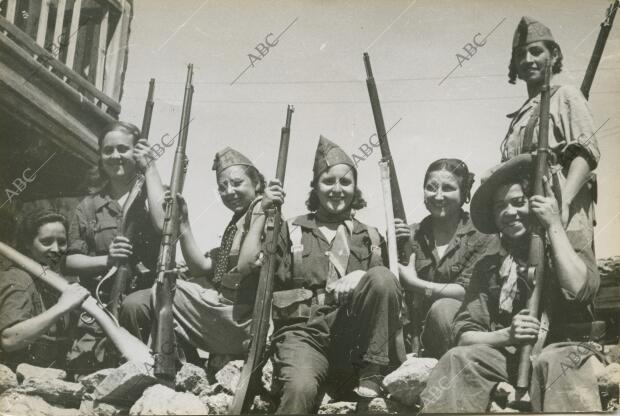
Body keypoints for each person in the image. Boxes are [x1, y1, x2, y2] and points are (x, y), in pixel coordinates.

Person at [418, 154, 603, 413]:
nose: (509, 213)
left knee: (554, 362)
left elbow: (580, 289)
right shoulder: (490, 263)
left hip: (566, 349)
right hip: (512, 357)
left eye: (518, 202)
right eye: (499, 206)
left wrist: (552, 225)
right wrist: (507, 335)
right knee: (457, 360)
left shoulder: (568, 242)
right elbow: (465, 335)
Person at [270, 135, 404, 414]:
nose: (337, 189)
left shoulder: (371, 236)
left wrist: (362, 276)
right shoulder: (290, 229)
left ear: (355, 189)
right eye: (328, 181)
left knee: (380, 275)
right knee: (299, 389)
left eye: (345, 182)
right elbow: (258, 275)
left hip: (356, 344)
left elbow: (390, 292)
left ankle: (373, 371)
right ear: (315, 187)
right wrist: (263, 213)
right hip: (306, 335)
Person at [119, 147, 286, 358]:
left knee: (164, 287)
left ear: (257, 183)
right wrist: (184, 225)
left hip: (242, 321)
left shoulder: (264, 214)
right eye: (222, 187)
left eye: (237, 183)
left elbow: (245, 265)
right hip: (226, 313)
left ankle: (161, 361)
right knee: (144, 299)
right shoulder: (238, 221)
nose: (229, 192)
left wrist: (263, 211)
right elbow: (202, 268)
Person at [501, 16, 600, 248]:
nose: (528, 60)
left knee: (570, 281)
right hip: (526, 221)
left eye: (536, 51)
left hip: (564, 218)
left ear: (553, 55)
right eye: (520, 54)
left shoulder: (566, 95)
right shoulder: (520, 115)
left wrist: (562, 204)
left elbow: (586, 154)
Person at [395, 159, 495, 358]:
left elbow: (465, 292)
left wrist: (415, 283)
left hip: (465, 333)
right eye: (431, 188)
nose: (438, 195)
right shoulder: (411, 235)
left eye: (448, 188)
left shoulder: (483, 234)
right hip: (418, 340)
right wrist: (391, 244)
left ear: (465, 193)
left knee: (443, 309)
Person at [66, 121, 165, 294]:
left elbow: (164, 226)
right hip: (101, 300)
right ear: (101, 158)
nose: (115, 156)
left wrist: (150, 168)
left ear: (137, 153)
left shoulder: (155, 193)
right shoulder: (88, 206)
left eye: (122, 148)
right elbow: (70, 260)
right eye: (108, 150)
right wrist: (107, 260)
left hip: (144, 302)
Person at [0, 209, 90, 371]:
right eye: (46, 241)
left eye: (62, 242)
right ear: (27, 243)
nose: (56, 249)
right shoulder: (18, 279)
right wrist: (63, 306)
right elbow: (9, 339)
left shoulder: (52, 278)